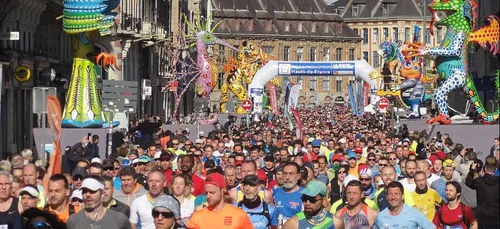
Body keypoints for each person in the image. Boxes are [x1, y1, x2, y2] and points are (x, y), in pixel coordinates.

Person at [186, 173, 253, 229]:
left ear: (223, 191)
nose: (208, 196)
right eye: (206, 193)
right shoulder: (197, 216)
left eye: (212, 192)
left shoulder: (239, 215)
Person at [66, 176, 131, 229]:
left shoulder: (119, 219)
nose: (88, 195)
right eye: (84, 191)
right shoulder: (73, 220)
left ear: (102, 193)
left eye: (92, 191)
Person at [466, 155, 500, 229]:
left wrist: (472, 171)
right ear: (495, 169)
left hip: (482, 217)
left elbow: (469, 183)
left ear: (485, 168)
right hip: (497, 217)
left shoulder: (480, 182)